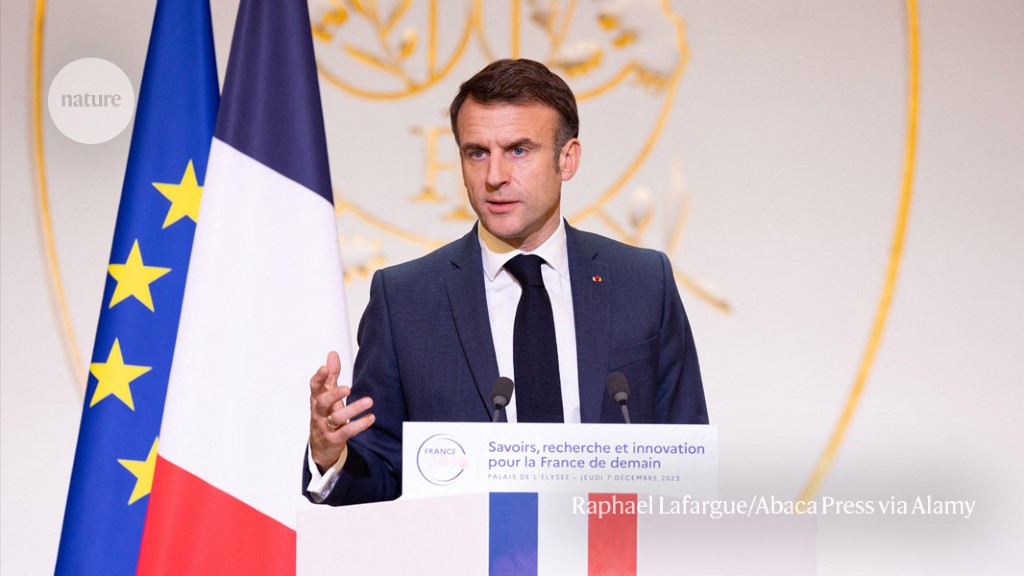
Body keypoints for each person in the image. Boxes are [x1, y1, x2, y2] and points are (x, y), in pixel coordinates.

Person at [304, 58, 708, 506]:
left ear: (567, 159)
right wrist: (329, 455)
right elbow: (379, 469)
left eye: (518, 150)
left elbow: (686, 454)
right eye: (477, 153)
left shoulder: (643, 282)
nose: (494, 177)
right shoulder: (405, 299)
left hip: (608, 542)